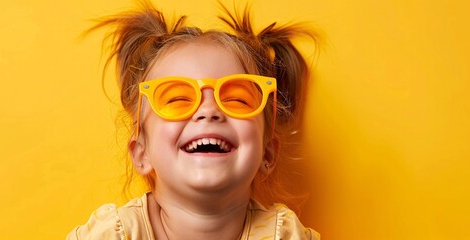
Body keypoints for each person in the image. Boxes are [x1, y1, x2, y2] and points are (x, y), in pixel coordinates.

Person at [68, 0, 320, 239]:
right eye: (177, 99)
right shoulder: (111, 235)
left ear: (267, 153)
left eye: (237, 100)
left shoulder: (285, 236)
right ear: (141, 153)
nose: (208, 110)